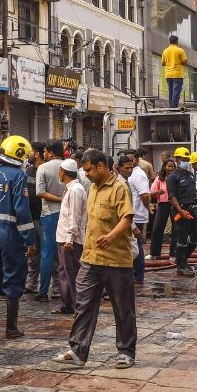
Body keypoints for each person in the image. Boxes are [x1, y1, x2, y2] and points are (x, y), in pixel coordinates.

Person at [53, 149, 137, 369]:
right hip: (91, 258)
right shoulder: (92, 189)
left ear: (101, 166)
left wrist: (111, 236)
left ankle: (126, 351)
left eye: (89, 169)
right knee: (83, 303)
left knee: (122, 307)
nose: (86, 173)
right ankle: (78, 350)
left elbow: (126, 218)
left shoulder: (120, 188)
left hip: (116, 260)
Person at [0, 136, 36, 339]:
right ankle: (11, 328)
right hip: (10, 232)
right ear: (19, 154)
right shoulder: (18, 176)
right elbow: (22, 211)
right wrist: (29, 239)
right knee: (13, 275)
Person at [53, 158, 86, 315]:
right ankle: (66, 304)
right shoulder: (70, 188)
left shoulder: (75, 190)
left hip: (70, 240)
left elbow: (75, 216)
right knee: (64, 272)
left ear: (63, 172)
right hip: (63, 237)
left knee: (72, 273)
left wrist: (70, 239)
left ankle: (77, 306)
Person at [35, 142, 66, 302]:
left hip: (49, 214)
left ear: (51, 153)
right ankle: (65, 290)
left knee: (46, 254)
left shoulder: (43, 168)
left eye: (46, 151)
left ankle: (42, 291)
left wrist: (59, 199)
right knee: (64, 253)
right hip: (66, 214)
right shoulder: (69, 166)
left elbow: (40, 192)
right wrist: (64, 200)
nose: (44, 154)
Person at [167, 147, 197, 276]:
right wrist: (180, 211)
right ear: (177, 160)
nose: (185, 161)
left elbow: (193, 189)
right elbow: (172, 196)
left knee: (196, 236)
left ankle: (182, 260)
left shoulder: (190, 174)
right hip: (180, 211)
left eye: (187, 159)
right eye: (183, 159)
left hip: (192, 209)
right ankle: (181, 266)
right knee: (182, 238)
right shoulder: (172, 177)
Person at [118, 154, 150, 283]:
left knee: (136, 248)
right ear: (119, 168)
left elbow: (145, 195)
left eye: (131, 167)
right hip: (131, 217)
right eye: (126, 168)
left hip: (135, 216)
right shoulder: (122, 182)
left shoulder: (136, 176)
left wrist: (148, 208)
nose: (129, 170)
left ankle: (137, 275)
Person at [24, 148, 44, 294]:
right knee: (32, 250)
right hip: (29, 217)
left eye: (31, 151)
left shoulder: (45, 170)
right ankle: (32, 283)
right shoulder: (28, 171)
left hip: (43, 217)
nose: (28, 154)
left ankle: (55, 287)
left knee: (50, 252)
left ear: (37, 153)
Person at [147, 158, 174, 258]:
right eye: (168, 166)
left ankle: (173, 254)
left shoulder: (176, 177)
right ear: (164, 167)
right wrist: (158, 192)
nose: (170, 168)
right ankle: (154, 253)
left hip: (174, 205)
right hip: (163, 205)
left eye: (172, 166)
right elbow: (151, 193)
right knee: (157, 228)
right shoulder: (159, 178)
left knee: (176, 229)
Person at [161, 35, 188, 109]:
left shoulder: (165, 51)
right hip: (177, 74)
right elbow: (185, 62)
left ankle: (171, 106)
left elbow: (162, 63)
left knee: (171, 92)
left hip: (168, 75)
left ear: (169, 41)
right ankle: (174, 107)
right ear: (177, 41)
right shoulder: (180, 50)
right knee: (176, 91)